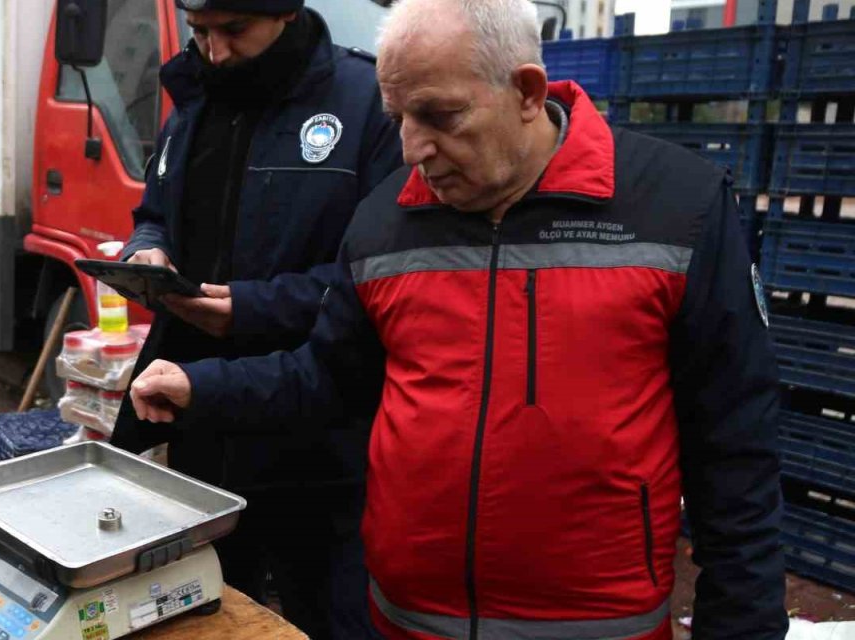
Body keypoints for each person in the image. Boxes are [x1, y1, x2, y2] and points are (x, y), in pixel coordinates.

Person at [128, 0, 788, 638]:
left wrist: (742, 625)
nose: (413, 148)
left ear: (527, 91)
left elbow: (735, 449)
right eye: (398, 118)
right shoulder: (386, 222)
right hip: (408, 624)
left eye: (438, 116)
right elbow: (327, 378)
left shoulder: (676, 208)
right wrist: (203, 387)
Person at [109, 0, 402, 638]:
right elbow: (153, 210)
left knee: (325, 616)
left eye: (234, 30)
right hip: (204, 426)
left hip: (318, 440)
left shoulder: (366, 106)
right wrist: (146, 251)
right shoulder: (193, 100)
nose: (213, 51)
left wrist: (251, 310)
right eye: (199, 31)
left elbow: (382, 279)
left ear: (287, 14)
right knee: (210, 615)